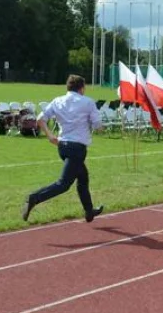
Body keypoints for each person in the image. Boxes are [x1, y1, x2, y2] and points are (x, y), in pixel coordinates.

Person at [21, 75, 105, 223]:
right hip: (77, 148)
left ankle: (89, 211)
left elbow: (40, 119)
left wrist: (49, 136)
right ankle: (34, 198)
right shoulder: (88, 102)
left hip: (62, 146)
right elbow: (98, 126)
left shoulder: (57, 101)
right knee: (64, 184)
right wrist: (102, 127)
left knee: (83, 177)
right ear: (82, 88)